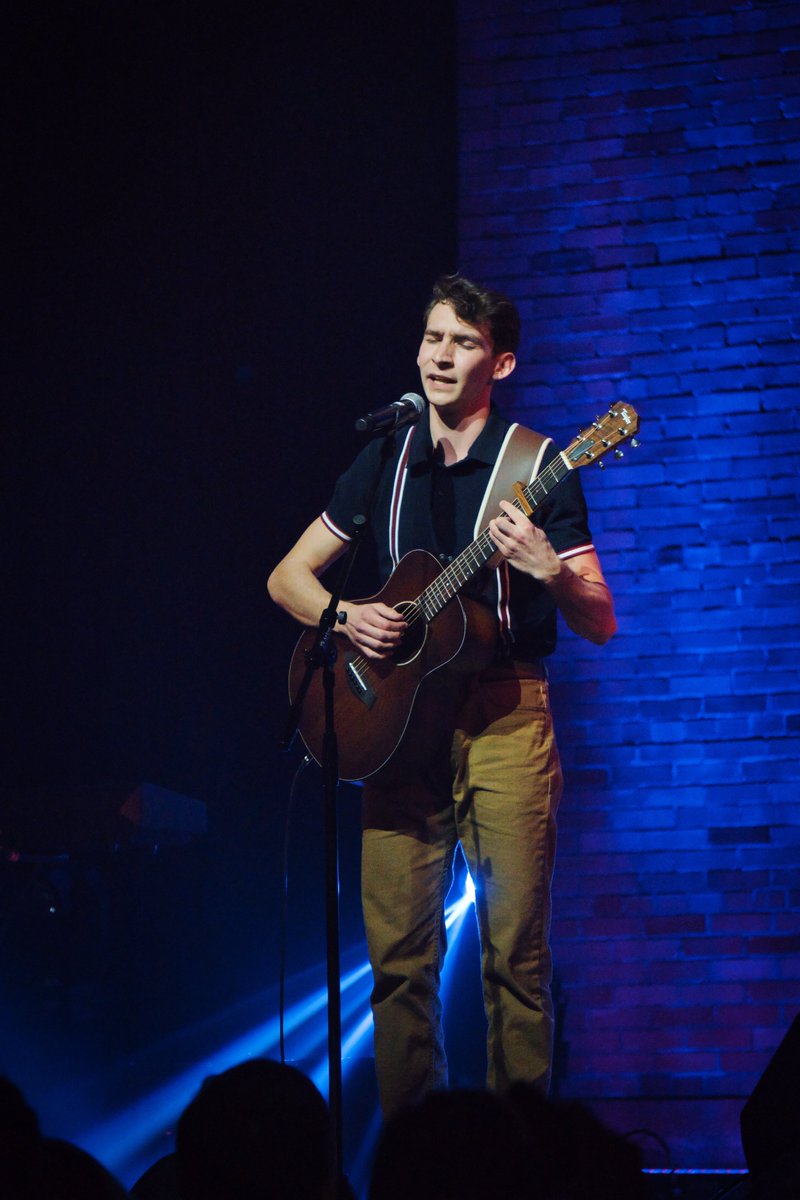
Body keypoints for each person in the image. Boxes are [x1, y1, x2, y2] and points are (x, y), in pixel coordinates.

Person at [268, 274, 617, 1118]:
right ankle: (416, 1167)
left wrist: (545, 569)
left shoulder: (539, 466)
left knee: (514, 958)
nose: (441, 356)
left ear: (499, 363)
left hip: (502, 717)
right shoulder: (385, 458)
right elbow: (287, 578)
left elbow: (600, 618)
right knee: (397, 964)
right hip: (391, 725)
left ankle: (523, 1162)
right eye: (432, 339)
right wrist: (348, 616)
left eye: (462, 343)